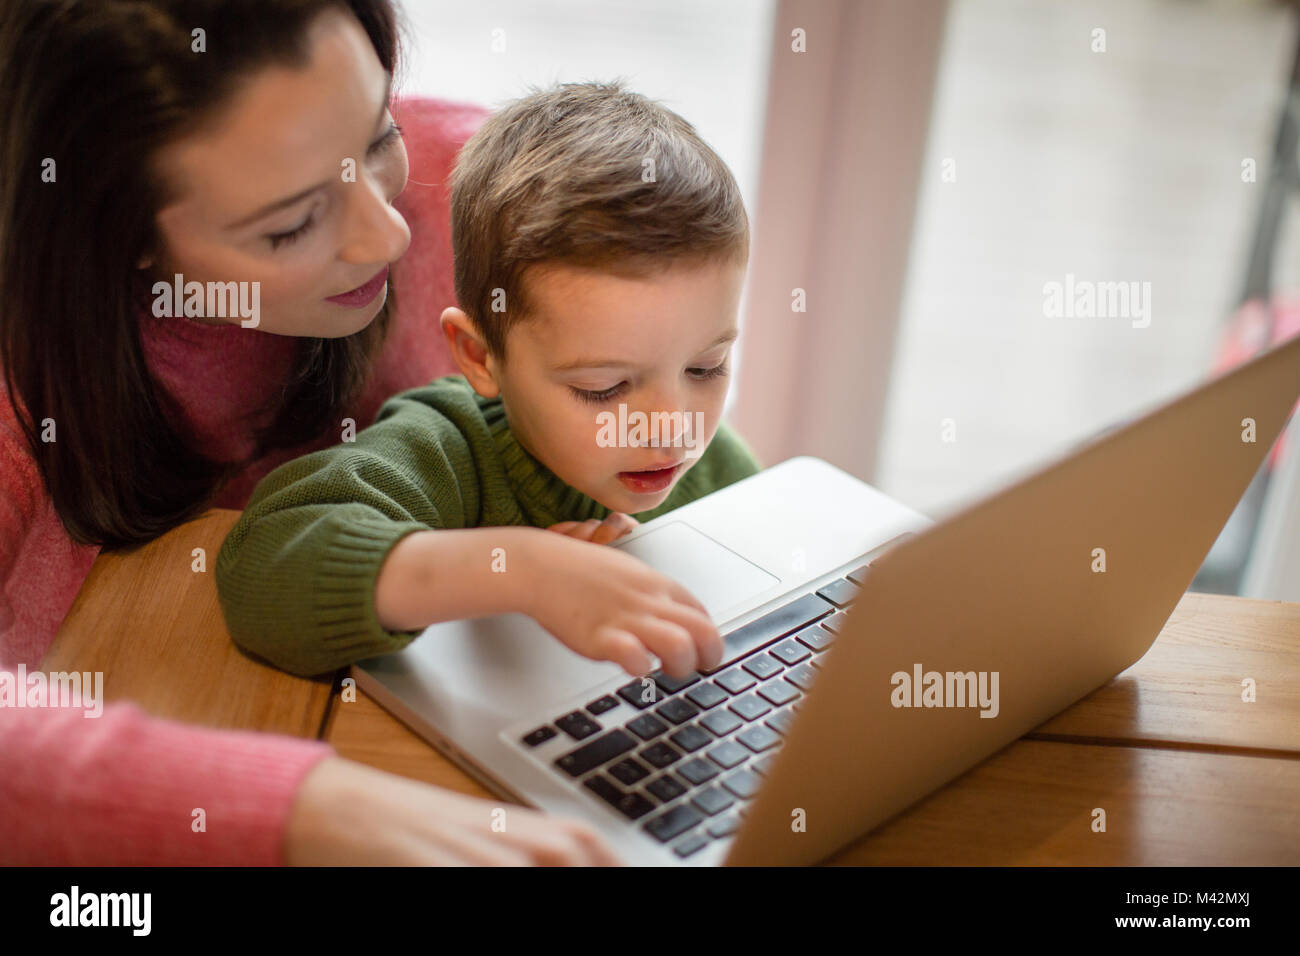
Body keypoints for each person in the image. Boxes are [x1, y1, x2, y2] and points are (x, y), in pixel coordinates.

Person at [0, 0, 618, 865]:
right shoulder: (26, 392)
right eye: (291, 223)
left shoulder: (484, 190)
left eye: (376, 137)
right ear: (123, 234)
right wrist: (302, 808)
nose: (390, 232)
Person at [215, 80, 761, 680]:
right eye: (604, 388)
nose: (670, 425)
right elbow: (264, 566)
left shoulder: (717, 471)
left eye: (705, 368)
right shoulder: (446, 449)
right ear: (480, 357)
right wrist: (524, 569)